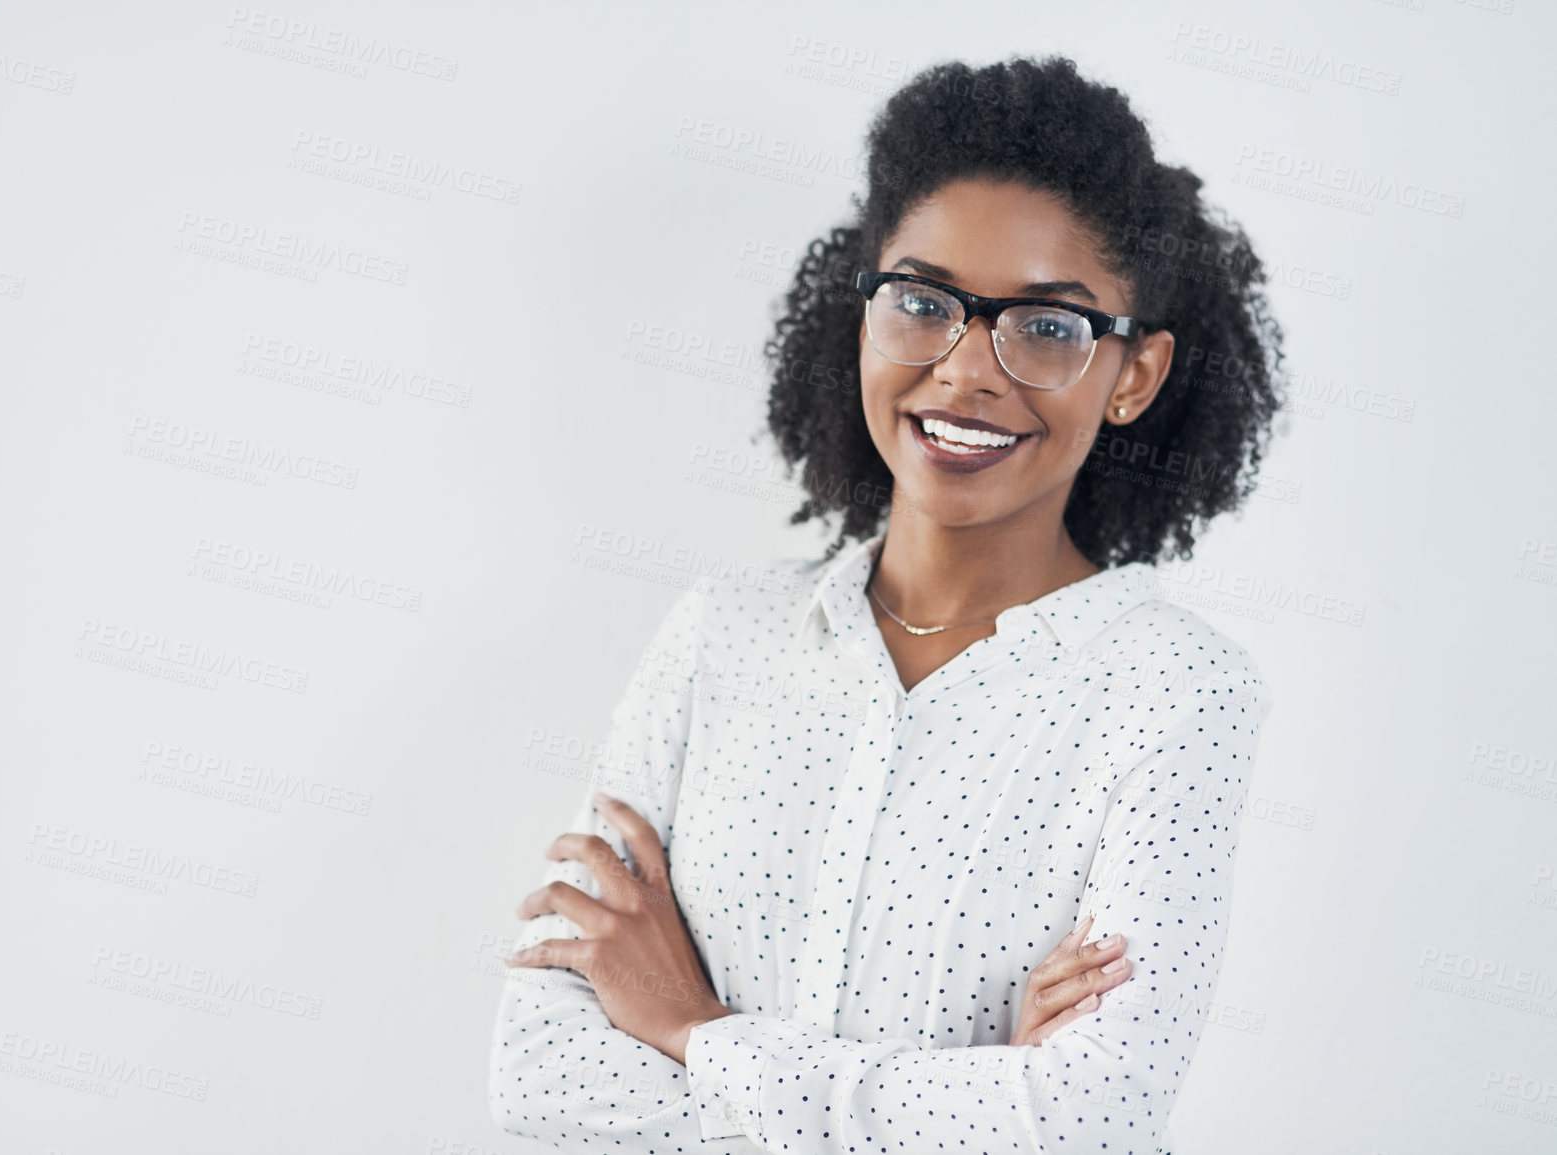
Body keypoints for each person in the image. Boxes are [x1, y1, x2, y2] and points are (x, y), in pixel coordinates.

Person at [489, 54, 1281, 1154]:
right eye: (923, 302)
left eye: (1046, 327)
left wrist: (689, 1026)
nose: (965, 370)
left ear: (1134, 375)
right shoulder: (721, 632)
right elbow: (541, 1074)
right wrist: (968, 1096)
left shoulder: (1174, 694)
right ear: (862, 312)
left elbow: (1083, 1122)